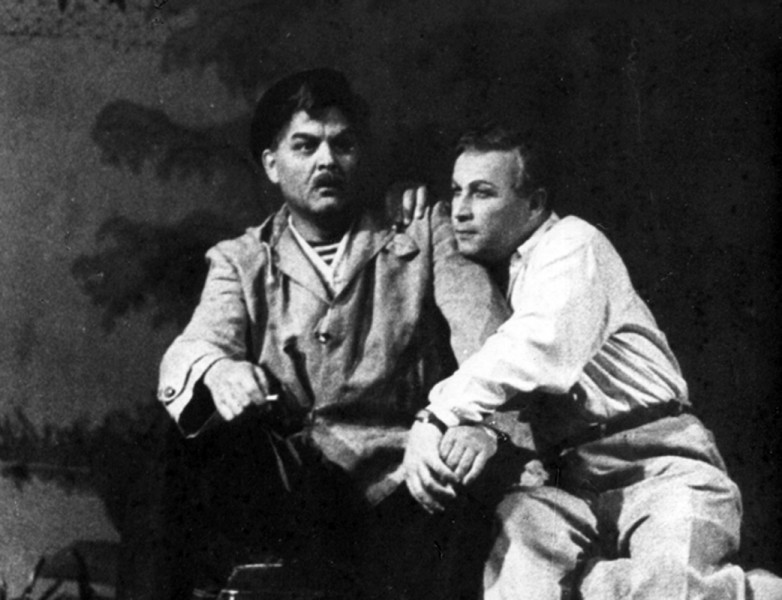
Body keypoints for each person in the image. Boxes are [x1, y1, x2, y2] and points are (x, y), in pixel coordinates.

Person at [157, 69, 511, 600]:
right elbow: (194, 345)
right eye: (305, 146)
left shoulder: (421, 231)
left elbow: (493, 347)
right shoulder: (242, 260)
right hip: (298, 499)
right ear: (272, 164)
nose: (327, 160)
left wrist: (477, 428)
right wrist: (219, 368)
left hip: (407, 486)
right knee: (182, 442)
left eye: (342, 145)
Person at [402, 121, 782, 600]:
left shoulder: (573, 244)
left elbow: (538, 344)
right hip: (568, 483)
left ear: (535, 204)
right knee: (520, 581)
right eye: (456, 191)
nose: (460, 209)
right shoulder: (498, 275)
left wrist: (436, 416)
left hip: (661, 463)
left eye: (482, 193)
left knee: (671, 588)